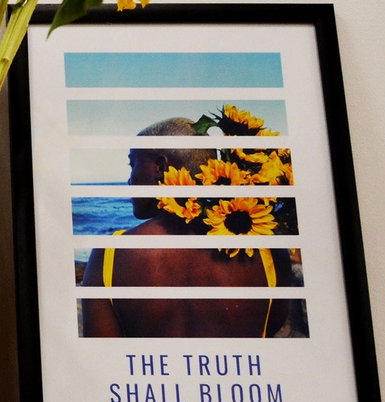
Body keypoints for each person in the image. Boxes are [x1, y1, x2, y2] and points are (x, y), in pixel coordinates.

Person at [80, 117, 292, 338]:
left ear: (160, 167)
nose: (129, 181)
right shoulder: (269, 251)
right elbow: (271, 328)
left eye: (133, 164)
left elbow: (103, 357)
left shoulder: (110, 256)